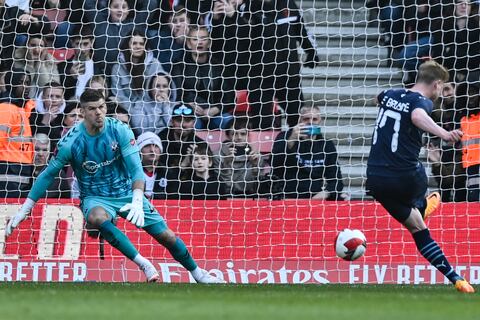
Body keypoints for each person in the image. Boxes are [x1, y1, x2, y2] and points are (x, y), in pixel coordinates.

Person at [6, 89, 225, 284]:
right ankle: (144, 264)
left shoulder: (120, 130)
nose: (99, 113)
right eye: (92, 109)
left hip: (126, 192)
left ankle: (198, 274)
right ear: (82, 112)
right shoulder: (70, 142)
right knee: (97, 218)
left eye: (102, 107)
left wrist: (138, 199)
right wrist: (26, 207)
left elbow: (136, 169)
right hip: (95, 196)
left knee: (166, 236)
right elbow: (48, 174)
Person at [366, 61, 474, 293]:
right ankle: (421, 204)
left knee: (418, 228)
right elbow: (416, 116)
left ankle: (457, 279)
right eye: (441, 87)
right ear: (436, 84)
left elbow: (378, 97)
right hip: (405, 177)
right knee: (420, 171)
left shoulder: (390, 93)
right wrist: (444, 133)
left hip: (375, 179)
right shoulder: (421, 102)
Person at [271, 105, 346, 200]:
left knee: (341, 197)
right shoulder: (284, 136)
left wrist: (326, 193)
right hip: (287, 196)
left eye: (314, 119)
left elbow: (336, 180)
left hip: (315, 197)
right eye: (306, 119)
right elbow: (274, 164)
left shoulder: (326, 145)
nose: (310, 122)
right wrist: (291, 140)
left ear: (320, 121)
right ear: (299, 120)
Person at [171, 25, 235, 130]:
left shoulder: (219, 66)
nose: (200, 42)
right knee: (191, 126)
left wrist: (215, 109)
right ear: (188, 44)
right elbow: (175, 95)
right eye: (195, 39)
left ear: (209, 43)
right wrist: (189, 106)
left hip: (215, 113)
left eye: (203, 39)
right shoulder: (179, 66)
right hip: (190, 114)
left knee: (230, 123)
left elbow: (230, 97)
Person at [0, 69, 35, 198]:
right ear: (11, 83)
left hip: (18, 173)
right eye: (21, 82)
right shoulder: (6, 109)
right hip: (6, 174)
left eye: (28, 82)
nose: (26, 87)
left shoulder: (21, 110)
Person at [213, 118, 265, 197]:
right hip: (226, 198)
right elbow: (223, 187)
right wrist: (226, 164)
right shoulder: (217, 156)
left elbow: (258, 187)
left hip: (251, 198)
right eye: (234, 134)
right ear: (228, 136)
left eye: (243, 134)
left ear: (248, 136)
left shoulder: (256, 156)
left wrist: (254, 166)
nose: (239, 137)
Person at [158, 103, 205, 168]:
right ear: (172, 122)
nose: (183, 125)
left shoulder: (200, 144)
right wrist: (184, 164)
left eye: (187, 120)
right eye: (179, 120)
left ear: (194, 123)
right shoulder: (160, 140)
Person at [137, 131, 179, 200]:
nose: (152, 150)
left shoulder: (169, 174)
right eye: (147, 146)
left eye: (156, 146)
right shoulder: (129, 173)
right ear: (139, 150)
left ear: (160, 150)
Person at [459, 73, 480, 201]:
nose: (469, 96)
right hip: (470, 167)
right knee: (473, 201)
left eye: (473, 92)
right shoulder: (463, 119)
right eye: (467, 92)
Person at [31, 133, 71, 198]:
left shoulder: (58, 175)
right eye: (36, 149)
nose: (40, 154)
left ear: (49, 152)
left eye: (45, 150)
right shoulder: (21, 172)